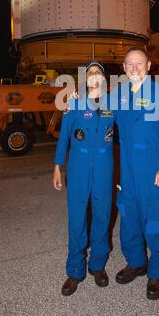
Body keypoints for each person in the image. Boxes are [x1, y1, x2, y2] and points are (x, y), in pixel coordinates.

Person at [114, 47, 159, 300]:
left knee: (154, 221)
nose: (134, 68)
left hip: (152, 170)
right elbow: (101, 118)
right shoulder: (119, 95)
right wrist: (76, 109)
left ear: (149, 66)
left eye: (139, 63)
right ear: (123, 68)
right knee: (129, 217)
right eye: (129, 64)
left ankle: (156, 272)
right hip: (127, 171)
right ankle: (136, 262)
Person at [53, 61, 115, 296]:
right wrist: (58, 166)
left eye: (99, 72)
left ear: (104, 78)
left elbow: (131, 127)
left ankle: (97, 266)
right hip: (78, 166)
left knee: (102, 215)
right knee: (77, 218)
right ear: (85, 78)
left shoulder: (113, 104)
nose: (95, 76)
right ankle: (75, 270)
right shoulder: (75, 104)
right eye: (91, 73)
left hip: (104, 166)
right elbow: (63, 139)